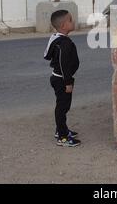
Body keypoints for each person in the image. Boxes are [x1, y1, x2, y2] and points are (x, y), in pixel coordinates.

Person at [44, 10, 81, 147]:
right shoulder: (64, 43)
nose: (74, 21)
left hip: (58, 78)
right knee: (62, 107)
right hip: (62, 80)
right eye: (71, 20)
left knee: (63, 106)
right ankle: (63, 137)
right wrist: (68, 83)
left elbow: (47, 56)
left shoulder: (56, 38)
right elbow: (63, 64)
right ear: (64, 25)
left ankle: (61, 129)